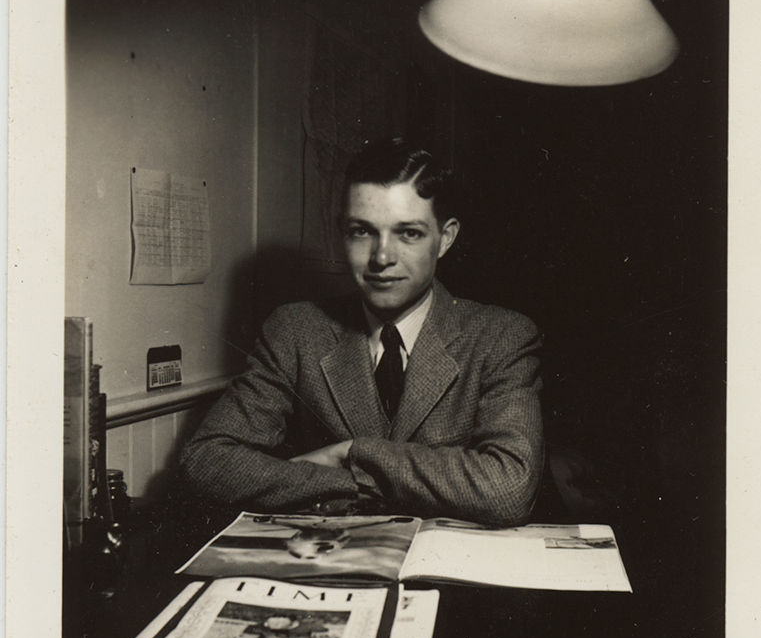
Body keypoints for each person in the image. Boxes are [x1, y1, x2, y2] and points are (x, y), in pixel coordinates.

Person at [180, 139, 544, 525]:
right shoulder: (296, 331)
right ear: (341, 233)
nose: (382, 257)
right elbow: (205, 462)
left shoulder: (501, 336)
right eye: (362, 231)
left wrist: (351, 454)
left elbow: (508, 489)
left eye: (409, 234)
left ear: (446, 238)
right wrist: (361, 484)